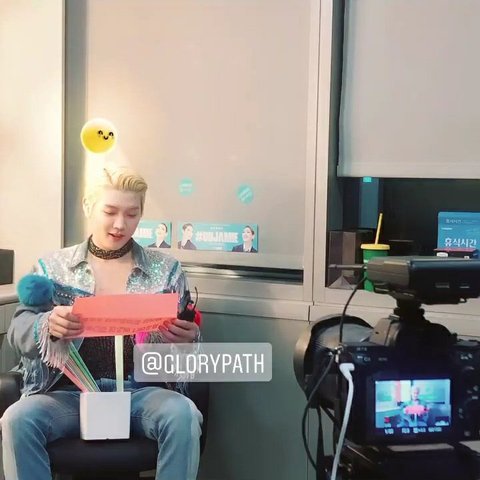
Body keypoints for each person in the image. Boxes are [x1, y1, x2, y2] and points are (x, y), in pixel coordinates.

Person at [1, 166, 202, 480]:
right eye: (110, 212)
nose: (121, 224)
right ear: (88, 206)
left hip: (142, 392)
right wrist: (47, 325)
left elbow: (186, 358)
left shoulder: (167, 270)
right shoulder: (52, 267)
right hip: (66, 393)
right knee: (18, 419)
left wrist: (187, 340)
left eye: (132, 214)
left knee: (183, 414)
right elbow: (18, 331)